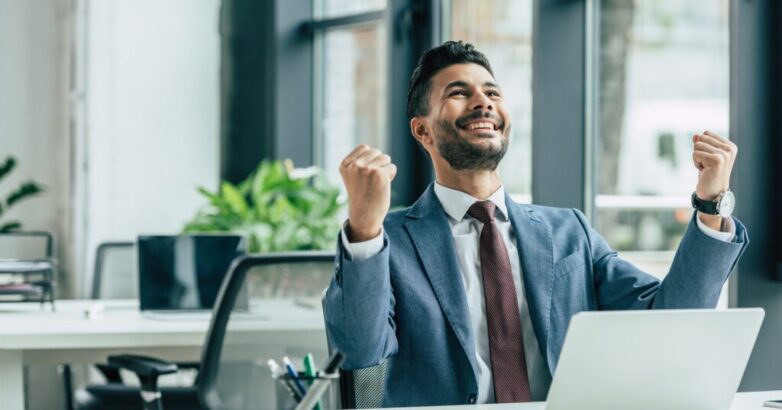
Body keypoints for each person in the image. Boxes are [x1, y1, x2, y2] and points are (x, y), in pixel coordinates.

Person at [323, 41, 747, 407]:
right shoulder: (388, 243)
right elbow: (360, 352)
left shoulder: (568, 234)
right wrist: (363, 227)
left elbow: (670, 321)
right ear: (422, 131)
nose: (483, 101)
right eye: (459, 92)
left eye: (492, 92)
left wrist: (711, 204)